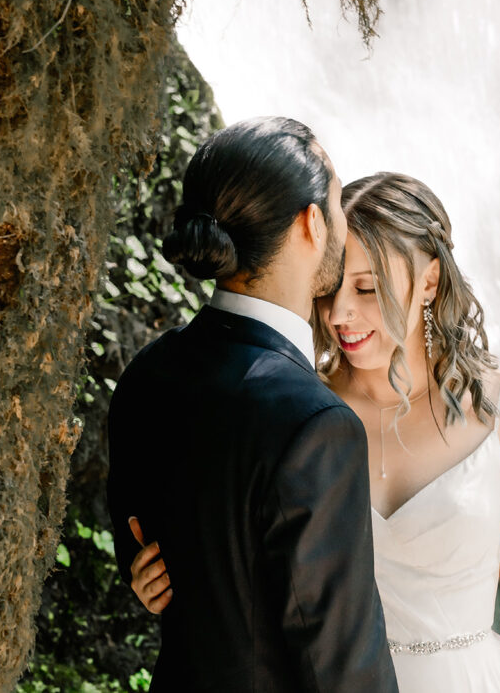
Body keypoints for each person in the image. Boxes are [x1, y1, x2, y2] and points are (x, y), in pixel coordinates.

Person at [131, 172, 500, 691]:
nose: (341, 313)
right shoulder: (296, 408)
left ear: (431, 283)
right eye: (332, 289)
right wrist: (170, 575)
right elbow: (236, 570)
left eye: (368, 288)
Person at [107, 118, 399, 692]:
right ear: (312, 224)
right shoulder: (315, 426)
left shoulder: (149, 373)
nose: (345, 220)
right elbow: (343, 667)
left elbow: (143, 546)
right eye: (339, 202)